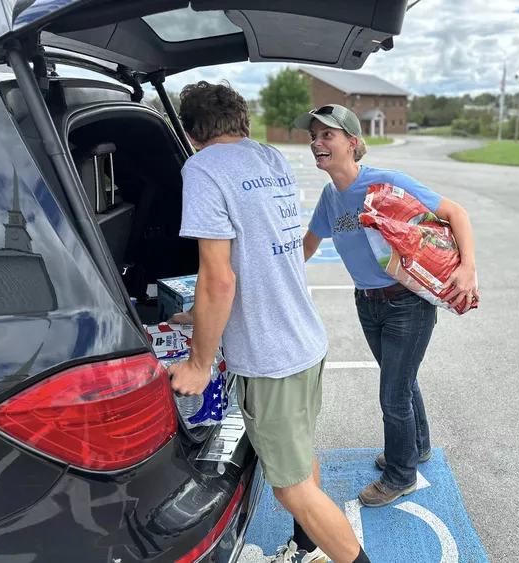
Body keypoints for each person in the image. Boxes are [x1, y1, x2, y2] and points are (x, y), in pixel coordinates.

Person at [167, 83, 371, 563]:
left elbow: (219, 280)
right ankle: (309, 548)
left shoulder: (202, 169)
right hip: (305, 340)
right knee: (299, 454)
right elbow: (262, 255)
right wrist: (196, 318)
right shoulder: (269, 158)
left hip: (270, 356)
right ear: (243, 122)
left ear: (194, 132)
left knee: (290, 488)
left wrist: (198, 364)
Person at [295, 104, 479, 508]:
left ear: (352, 143)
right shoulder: (330, 197)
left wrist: (468, 269)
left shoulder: (386, 183)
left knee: (393, 395)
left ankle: (401, 475)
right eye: (314, 135)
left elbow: (455, 213)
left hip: (406, 305)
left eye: (327, 135)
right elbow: (308, 245)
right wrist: (274, 272)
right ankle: (418, 447)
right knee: (402, 381)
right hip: (368, 303)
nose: (316, 142)